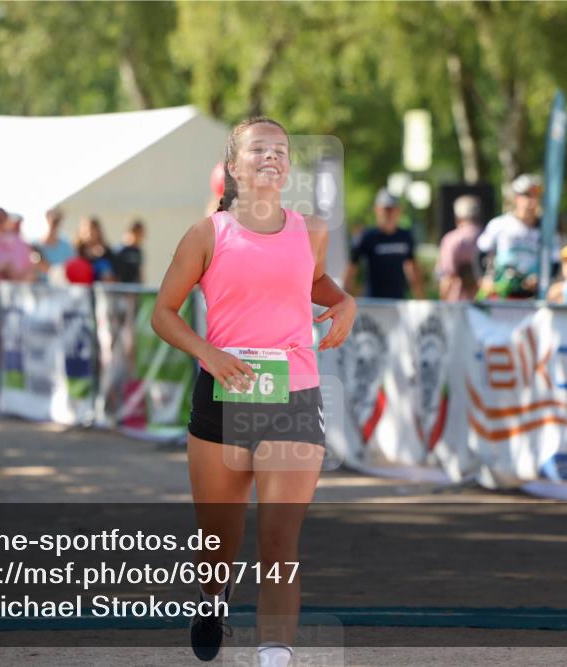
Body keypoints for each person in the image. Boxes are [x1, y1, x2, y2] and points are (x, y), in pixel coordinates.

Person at [151, 116, 356, 666]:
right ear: (234, 167)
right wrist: (207, 352)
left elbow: (314, 282)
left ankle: (275, 658)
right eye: (259, 149)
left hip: (294, 397)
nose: (272, 157)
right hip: (224, 395)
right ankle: (212, 599)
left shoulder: (311, 230)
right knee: (218, 542)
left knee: (279, 542)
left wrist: (345, 302)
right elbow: (162, 313)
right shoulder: (207, 233)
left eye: (281, 150)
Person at [342, 188, 425, 299]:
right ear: (377, 210)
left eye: (392, 209)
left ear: (399, 210)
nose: (389, 213)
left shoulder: (405, 236)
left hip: (398, 300)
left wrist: (420, 298)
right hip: (373, 301)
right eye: (385, 209)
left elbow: (412, 267)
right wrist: (346, 298)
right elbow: (352, 268)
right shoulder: (367, 237)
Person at [476, 173, 547, 299]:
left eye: (535, 196)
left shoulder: (546, 230)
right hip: (501, 293)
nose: (531, 200)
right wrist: (482, 279)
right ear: (516, 197)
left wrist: (542, 278)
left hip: (532, 297)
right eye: (526, 195)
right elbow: (479, 253)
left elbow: (554, 261)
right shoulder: (499, 224)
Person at [435, 195, 483, 301]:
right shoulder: (487, 236)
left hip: (457, 303)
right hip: (484, 302)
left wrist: (442, 303)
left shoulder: (451, 240)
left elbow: (447, 277)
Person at [36, 208, 75, 274]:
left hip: (60, 283)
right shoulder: (36, 245)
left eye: (57, 220)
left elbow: (71, 267)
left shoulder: (67, 246)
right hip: (40, 283)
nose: (54, 222)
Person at [77, 216, 116, 281]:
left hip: (99, 283)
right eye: (86, 230)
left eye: (92, 229)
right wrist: (90, 255)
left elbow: (113, 267)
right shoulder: (77, 248)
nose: (89, 233)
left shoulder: (106, 249)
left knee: (103, 264)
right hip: (81, 281)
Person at [114, 219, 145, 284]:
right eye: (139, 234)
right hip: (121, 290)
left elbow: (139, 271)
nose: (141, 238)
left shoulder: (138, 251)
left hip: (134, 289)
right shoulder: (119, 250)